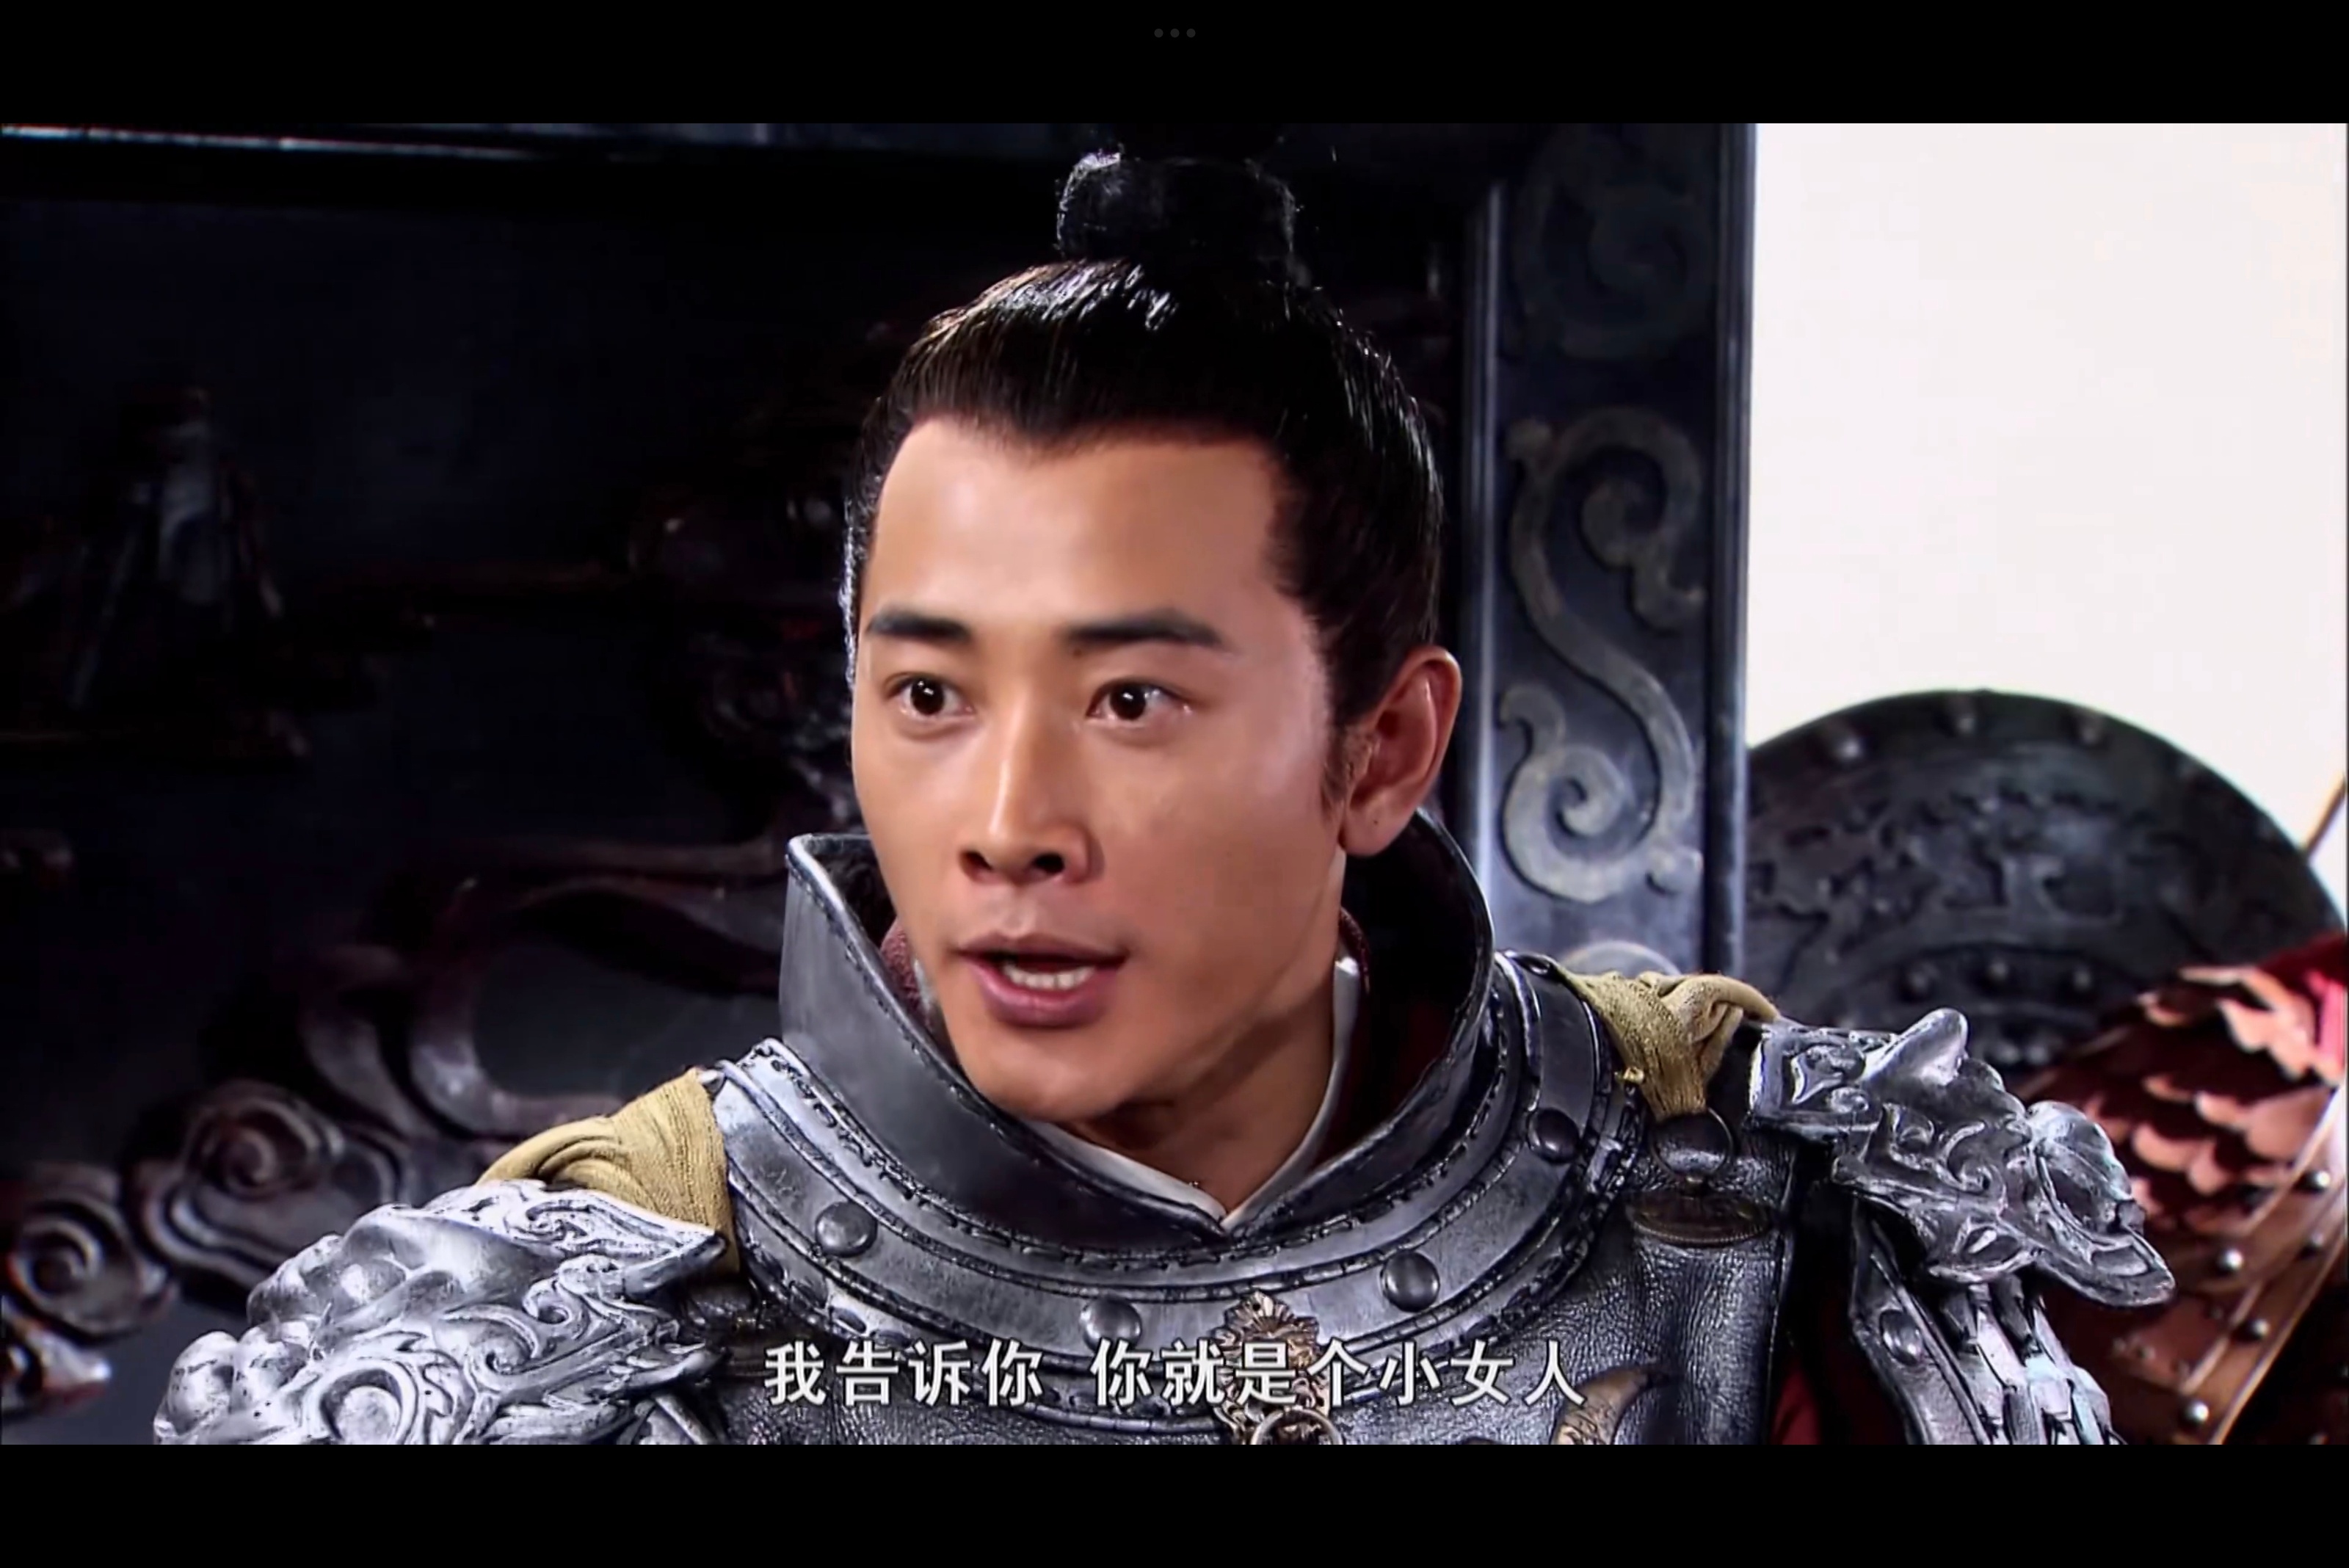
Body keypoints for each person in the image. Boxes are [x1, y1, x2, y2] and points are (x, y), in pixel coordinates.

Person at [151, 136, 2171, 1445]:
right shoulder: (599, 1305)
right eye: (929, 694)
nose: (1006, 821)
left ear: (1383, 749)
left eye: (1132, 700)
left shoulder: (1730, 1207)